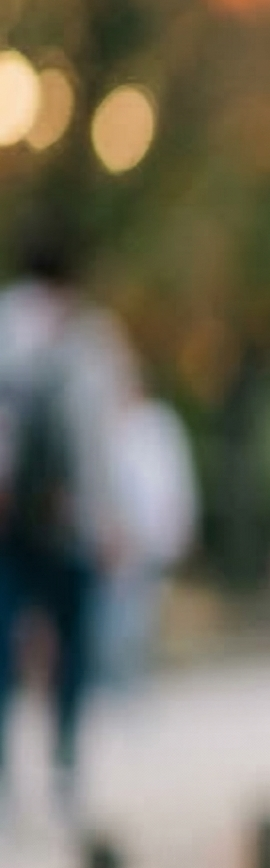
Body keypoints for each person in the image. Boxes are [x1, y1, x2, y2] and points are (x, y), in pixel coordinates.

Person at [0, 226, 131, 826]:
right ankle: (63, 765)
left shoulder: (8, 328)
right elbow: (100, 441)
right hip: (65, 518)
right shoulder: (90, 339)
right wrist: (106, 518)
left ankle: (18, 774)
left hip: (13, 521)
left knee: (10, 647)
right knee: (71, 648)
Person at [97, 355, 198, 691]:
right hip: (122, 537)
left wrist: (180, 524)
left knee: (140, 608)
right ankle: (120, 678)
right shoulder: (110, 427)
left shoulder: (157, 423)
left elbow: (175, 478)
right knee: (120, 608)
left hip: (152, 534)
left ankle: (131, 677)